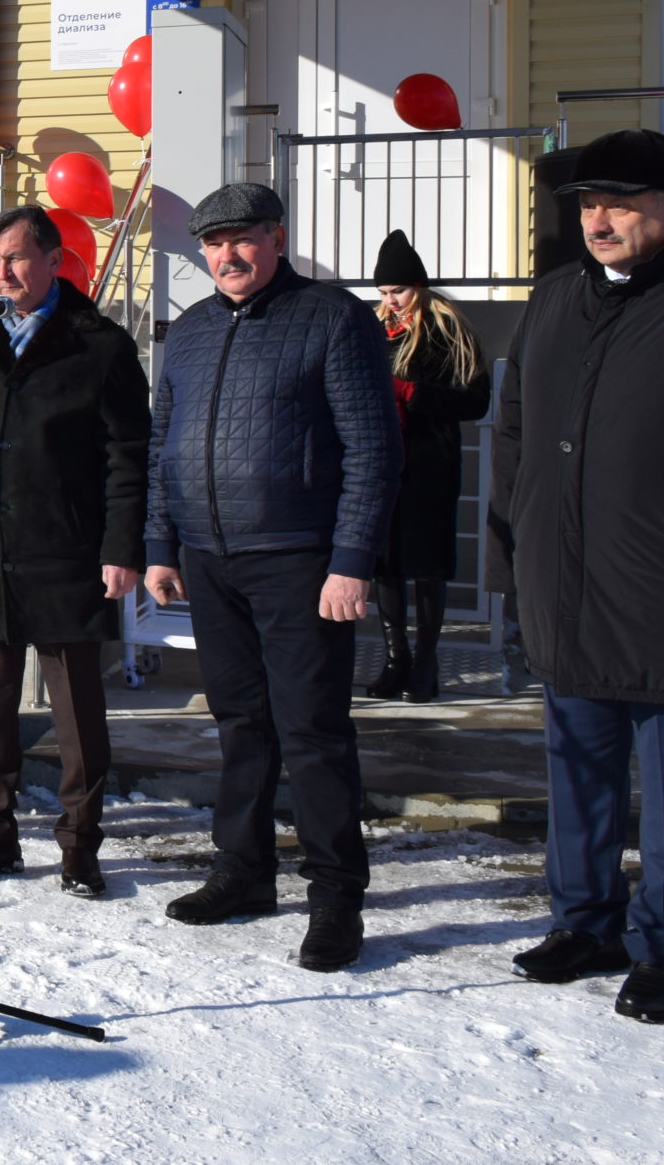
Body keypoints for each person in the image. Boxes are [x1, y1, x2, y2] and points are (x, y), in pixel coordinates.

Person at [488, 129, 664, 1025]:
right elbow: (513, 435)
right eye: (585, 204)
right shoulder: (556, 297)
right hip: (568, 587)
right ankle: (585, 922)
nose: (597, 220)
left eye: (617, 203)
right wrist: (510, 554)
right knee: (578, 776)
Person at [143, 182, 399, 972]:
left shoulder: (333, 317)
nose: (227, 255)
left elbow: (373, 448)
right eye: (214, 243)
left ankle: (335, 898)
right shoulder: (186, 332)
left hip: (300, 561)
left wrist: (351, 561)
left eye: (243, 238)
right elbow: (162, 448)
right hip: (210, 562)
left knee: (312, 733)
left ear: (276, 237)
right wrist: (159, 544)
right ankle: (244, 872)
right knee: (239, 723)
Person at [0, 206, 150, 898]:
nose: (4, 272)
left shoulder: (100, 345)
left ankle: (80, 842)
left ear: (54, 259)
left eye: (18, 258)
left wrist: (121, 546)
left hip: (68, 552)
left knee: (77, 708)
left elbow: (128, 456)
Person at [366, 230, 491, 704]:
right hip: (380, 462)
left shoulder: (447, 331)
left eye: (396, 290)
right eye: (382, 292)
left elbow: (476, 401)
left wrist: (414, 393)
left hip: (428, 466)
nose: (390, 300)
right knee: (386, 564)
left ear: (417, 286)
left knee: (427, 565)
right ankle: (396, 659)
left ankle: (425, 663)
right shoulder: (372, 330)